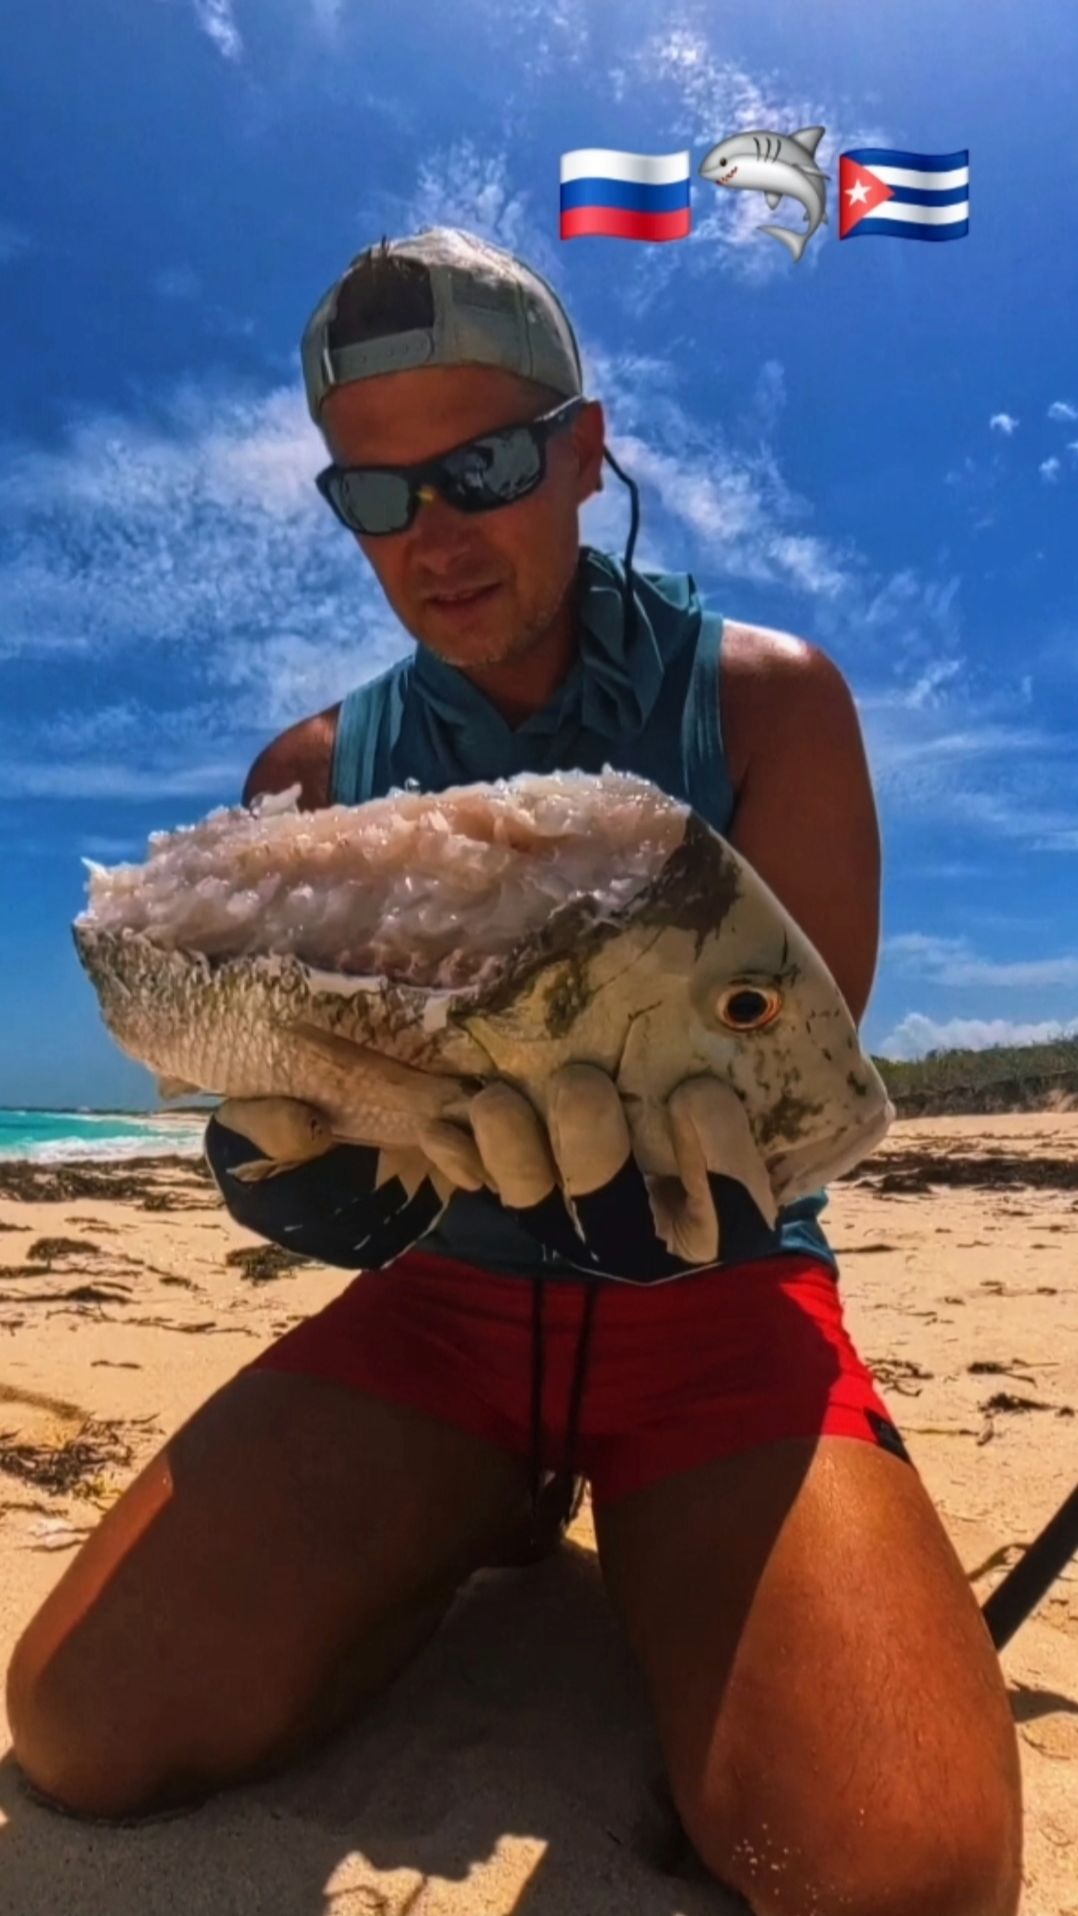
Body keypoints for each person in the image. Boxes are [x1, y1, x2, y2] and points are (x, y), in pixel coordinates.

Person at [6, 227, 1022, 1915]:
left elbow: (794, 1083)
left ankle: (640, 1533)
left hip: (718, 1312)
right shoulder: (310, 769)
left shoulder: (768, 706)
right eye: (375, 495)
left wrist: (704, 1184)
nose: (434, 534)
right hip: (442, 1314)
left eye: (479, 467)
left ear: (583, 451)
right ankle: (479, 1509)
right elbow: (276, 1085)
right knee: (84, 1730)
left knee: (898, 1876)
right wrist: (278, 1166)